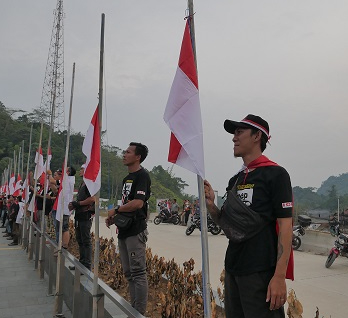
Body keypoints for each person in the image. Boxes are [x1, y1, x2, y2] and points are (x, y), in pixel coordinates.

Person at [204, 114, 293, 318]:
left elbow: (286, 227)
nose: (234, 138)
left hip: (260, 271)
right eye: (234, 133)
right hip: (233, 268)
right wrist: (211, 206)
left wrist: (279, 276)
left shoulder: (276, 175)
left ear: (256, 136)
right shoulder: (236, 179)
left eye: (239, 132)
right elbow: (228, 226)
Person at [106, 142, 151, 315]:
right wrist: (115, 217)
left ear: (137, 157)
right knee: (129, 273)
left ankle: (139, 312)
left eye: (128, 152)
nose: (124, 154)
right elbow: (126, 204)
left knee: (138, 272)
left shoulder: (142, 176)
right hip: (124, 230)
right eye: (124, 151)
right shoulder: (127, 179)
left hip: (135, 231)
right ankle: (133, 309)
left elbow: (138, 203)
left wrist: (116, 210)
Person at [68, 164, 95, 271]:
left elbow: (92, 199)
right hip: (79, 215)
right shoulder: (83, 184)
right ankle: (81, 263)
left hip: (85, 215)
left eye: (82, 169)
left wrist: (78, 204)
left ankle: (87, 265)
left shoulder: (89, 184)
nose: (80, 170)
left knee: (86, 240)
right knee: (80, 239)